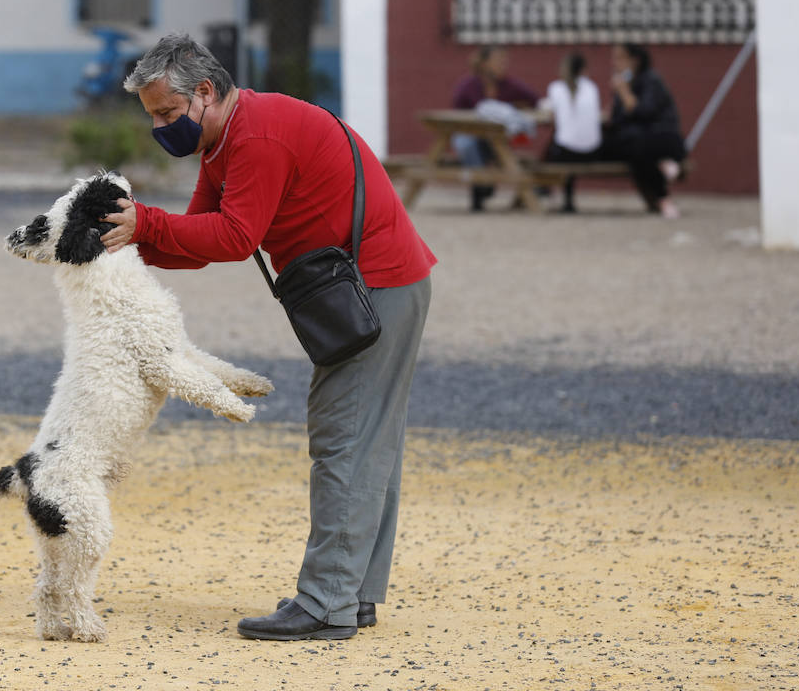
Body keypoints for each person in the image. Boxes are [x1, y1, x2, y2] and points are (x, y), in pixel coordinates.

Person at [99, 34, 437, 641]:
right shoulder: (222, 138)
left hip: (375, 286)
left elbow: (232, 237)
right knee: (368, 440)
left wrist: (145, 221)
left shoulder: (255, 136)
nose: (159, 126)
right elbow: (200, 242)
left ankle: (327, 602)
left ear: (205, 92)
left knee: (345, 437)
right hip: (380, 282)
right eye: (152, 116)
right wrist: (127, 245)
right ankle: (351, 594)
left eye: (167, 114)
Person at [450, 46, 540, 211]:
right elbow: (456, 110)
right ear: (484, 64)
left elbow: (534, 99)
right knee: (466, 143)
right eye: (498, 61)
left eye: (504, 62)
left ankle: (483, 187)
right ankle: (481, 188)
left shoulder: (509, 85)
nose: (502, 65)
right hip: (470, 135)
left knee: (504, 144)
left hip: (495, 137)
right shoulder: (469, 84)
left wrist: (514, 107)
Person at [604, 43, 687, 219]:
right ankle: (663, 189)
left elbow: (643, 112)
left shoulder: (651, 81)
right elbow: (618, 119)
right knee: (628, 148)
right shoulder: (625, 83)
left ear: (635, 60)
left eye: (620, 58)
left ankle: (663, 197)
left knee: (639, 149)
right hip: (637, 144)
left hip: (660, 138)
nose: (615, 63)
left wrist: (624, 92)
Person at [541, 51, 604, 213]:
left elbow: (552, 116)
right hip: (593, 152)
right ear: (583, 70)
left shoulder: (556, 87)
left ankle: (543, 187)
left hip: (565, 153)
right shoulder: (591, 87)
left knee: (558, 143)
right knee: (566, 141)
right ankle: (556, 194)